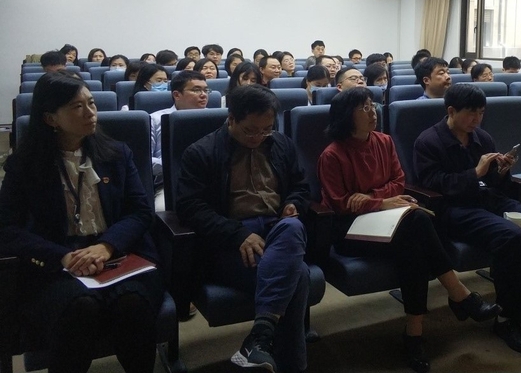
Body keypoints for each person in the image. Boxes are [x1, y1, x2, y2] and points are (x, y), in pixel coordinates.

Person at [318, 88, 500, 373]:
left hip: (389, 219)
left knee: (413, 239)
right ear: (345, 116)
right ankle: (457, 297)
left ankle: (416, 332)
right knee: (416, 225)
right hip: (350, 230)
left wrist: (371, 198)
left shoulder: (384, 141)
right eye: (364, 108)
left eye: (372, 106)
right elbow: (341, 203)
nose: (373, 112)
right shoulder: (332, 155)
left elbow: (398, 181)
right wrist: (381, 202)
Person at [0, 73, 163, 372]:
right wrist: (62, 256)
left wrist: (106, 245)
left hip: (118, 255)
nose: (91, 113)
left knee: (132, 304)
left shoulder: (116, 153)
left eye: (91, 103)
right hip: (59, 264)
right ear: (51, 118)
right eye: (77, 107)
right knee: (80, 308)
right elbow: (7, 229)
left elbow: (140, 211)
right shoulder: (24, 166)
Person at [413, 83, 521, 355]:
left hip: (489, 200)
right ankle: (508, 319)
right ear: (451, 111)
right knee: (511, 236)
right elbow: (433, 185)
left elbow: (494, 183)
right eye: (471, 113)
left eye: (481, 113)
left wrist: (501, 172)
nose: (477, 119)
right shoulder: (428, 141)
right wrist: (476, 173)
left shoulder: (482, 137)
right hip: (455, 209)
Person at [176, 84, 310, 371]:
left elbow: (301, 186)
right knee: (297, 275)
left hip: (277, 231)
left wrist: (293, 203)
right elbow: (190, 208)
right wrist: (237, 234)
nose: (258, 137)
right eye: (250, 130)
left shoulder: (281, 144)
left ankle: (259, 342)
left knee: (292, 227)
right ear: (231, 119)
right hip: (230, 241)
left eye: (266, 130)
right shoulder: (202, 152)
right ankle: (277, 354)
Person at [150, 71, 209, 209]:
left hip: (210, 180)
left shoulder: (216, 117)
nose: (203, 94)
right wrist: (173, 166)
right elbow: (145, 159)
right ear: (177, 95)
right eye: (196, 90)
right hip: (170, 182)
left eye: (206, 90)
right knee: (162, 209)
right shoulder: (155, 119)